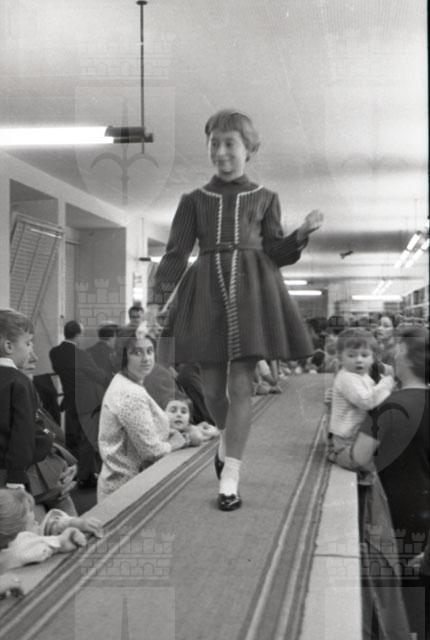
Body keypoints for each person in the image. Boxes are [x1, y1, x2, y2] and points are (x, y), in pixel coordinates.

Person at [148, 109, 323, 510]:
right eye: (215, 144)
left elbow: (275, 251)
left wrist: (300, 233)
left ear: (249, 150)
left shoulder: (266, 198)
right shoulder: (193, 201)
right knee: (212, 388)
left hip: (251, 293)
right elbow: (176, 253)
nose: (221, 152)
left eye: (230, 144)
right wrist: (158, 299)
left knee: (241, 384)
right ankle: (227, 438)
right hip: (206, 292)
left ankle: (231, 475)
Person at [352, 326, 429, 640]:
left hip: (395, 514)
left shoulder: (389, 406)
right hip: (425, 513)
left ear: (403, 356)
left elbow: (359, 457)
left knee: (399, 599)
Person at [97, 331, 186, 502]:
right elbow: (151, 451)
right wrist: (181, 441)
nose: (146, 358)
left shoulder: (128, 382)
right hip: (125, 491)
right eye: (137, 352)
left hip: (124, 485)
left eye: (149, 351)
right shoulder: (130, 393)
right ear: (123, 356)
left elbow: (142, 429)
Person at [327, 328, 395, 478]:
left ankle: (362, 474)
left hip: (355, 436)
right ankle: (339, 456)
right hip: (347, 441)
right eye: (351, 355)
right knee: (383, 462)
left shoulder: (362, 376)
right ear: (340, 358)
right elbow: (366, 401)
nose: (359, 360)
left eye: (364, 355)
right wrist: (386, 384)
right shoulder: (347, 378)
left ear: (373, 358)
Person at [50, 321, 108, 488]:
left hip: (70, 400)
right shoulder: (81, 354)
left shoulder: (54, 353)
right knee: (87, 440)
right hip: (87, 401)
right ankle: (86, 477)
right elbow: (97, 376)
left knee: (73, 438)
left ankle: (74, 472)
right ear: (78, 335)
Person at [0, 309, 50, 490]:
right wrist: (16, 477)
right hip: (7, 472)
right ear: (9, 346)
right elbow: (23, 432)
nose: (31, 350)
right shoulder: (20, 382)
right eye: (28, 343)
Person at [0, 488, 102, 572]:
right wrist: (60, 541)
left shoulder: (27, 533)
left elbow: (49, 526)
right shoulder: (11, 555)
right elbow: (23, 551)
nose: (33, 513)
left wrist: (76, 523)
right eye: (29, 511)